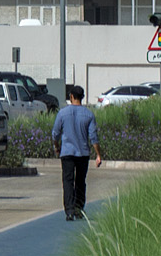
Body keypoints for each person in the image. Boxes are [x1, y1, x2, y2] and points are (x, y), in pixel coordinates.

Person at [50, 84, 101, 221]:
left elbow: (55, 133)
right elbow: (93, 137)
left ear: (71, 96)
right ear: (82, 97)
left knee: (68, 181)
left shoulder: (62, 113)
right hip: (83, 153)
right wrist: (98, 154)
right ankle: (79, 209)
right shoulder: (89, 114)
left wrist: (57, 146)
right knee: (80, 181)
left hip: (67, 152)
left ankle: (69, 210)